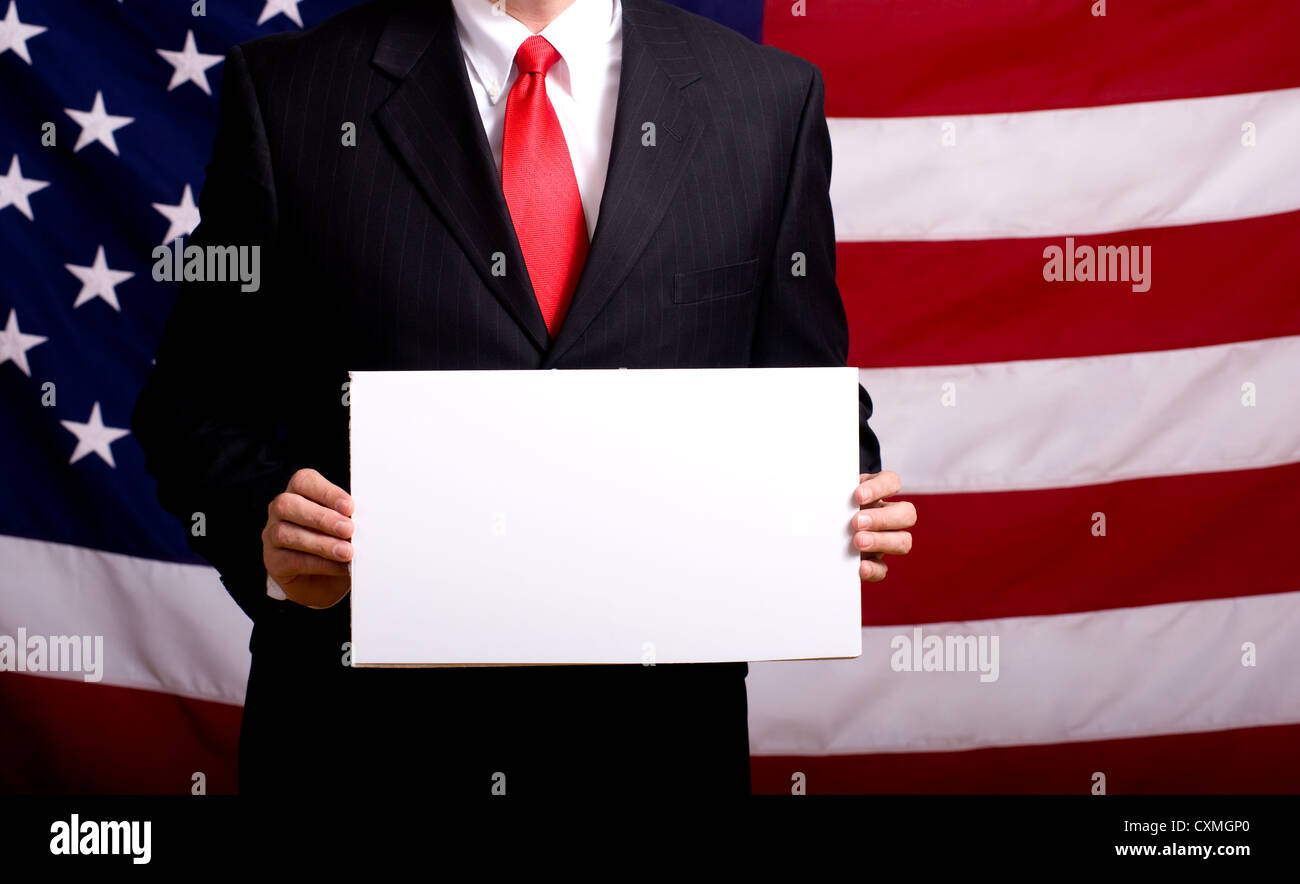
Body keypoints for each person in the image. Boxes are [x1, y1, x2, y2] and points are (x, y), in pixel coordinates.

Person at [132, 0, 917, 796]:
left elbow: (804, 391)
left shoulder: (766, 101)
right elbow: (191, 406)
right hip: (363, 745)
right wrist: (268, 528)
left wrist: (850, 493)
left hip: (659, 746)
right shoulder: (289, 91)